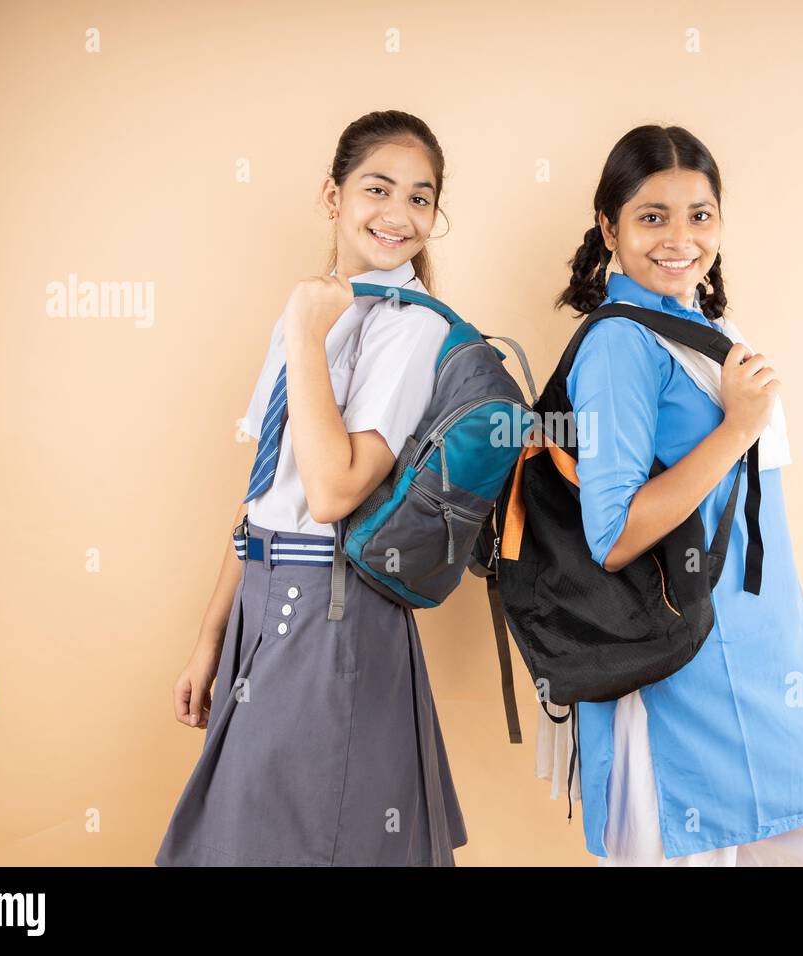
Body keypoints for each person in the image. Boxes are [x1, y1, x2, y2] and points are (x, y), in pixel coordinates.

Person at [548, 124, 803, 866]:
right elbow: (611, 533)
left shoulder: (704, 328)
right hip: (685, 673)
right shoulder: (621, 344)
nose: (680, 237)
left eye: (700, 214)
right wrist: (739, 427)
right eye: (653, 216)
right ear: (609, 226)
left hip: (766, 652)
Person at [155, 110, 466, 866]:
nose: (398, 215)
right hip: (265, 593)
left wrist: (304, 332)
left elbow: (330, 494)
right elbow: (263, 491)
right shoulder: (314, 306)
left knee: (316, 840)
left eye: (420, 198)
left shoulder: (407, 328)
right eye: (377, 189)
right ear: (332, 197)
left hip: (331, 607)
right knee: (247, 837)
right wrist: (209, 638)